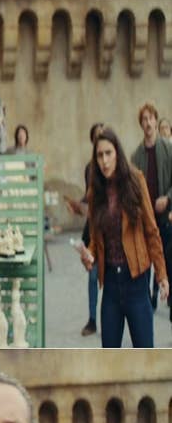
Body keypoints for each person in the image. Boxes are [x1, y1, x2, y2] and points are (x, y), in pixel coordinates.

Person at [80, 126, 168, 347]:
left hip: (137, 282)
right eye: (100, 155)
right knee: (108, 353)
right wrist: (88, 255)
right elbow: (95, 240)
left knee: (145, 350)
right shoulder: (95, 192)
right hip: (110, 285)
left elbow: (151, 230)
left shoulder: (135, 181)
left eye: (108, 153)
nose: (104, 161)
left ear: (117, 152)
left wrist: (162, 275)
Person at [130, 102, 172, 316]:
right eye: (144, 119)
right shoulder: (136, 157)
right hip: (146, 223)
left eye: (150, 118)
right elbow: (133, 192)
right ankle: (146, 307)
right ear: (141, 124)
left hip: (167, 219)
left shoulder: (168, 148)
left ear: (156, 120)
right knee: (145, 268)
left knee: (169, 265)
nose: (148, 123)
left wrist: (168, 197)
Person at [65, 121, 104, 336]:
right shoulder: (90, 168)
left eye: (103, 134)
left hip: (110, 231)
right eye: (97, 136)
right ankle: (92, 320)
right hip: (93, 231)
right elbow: (90, 197)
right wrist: (77, 206)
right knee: (92, 276)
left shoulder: (114, 164)